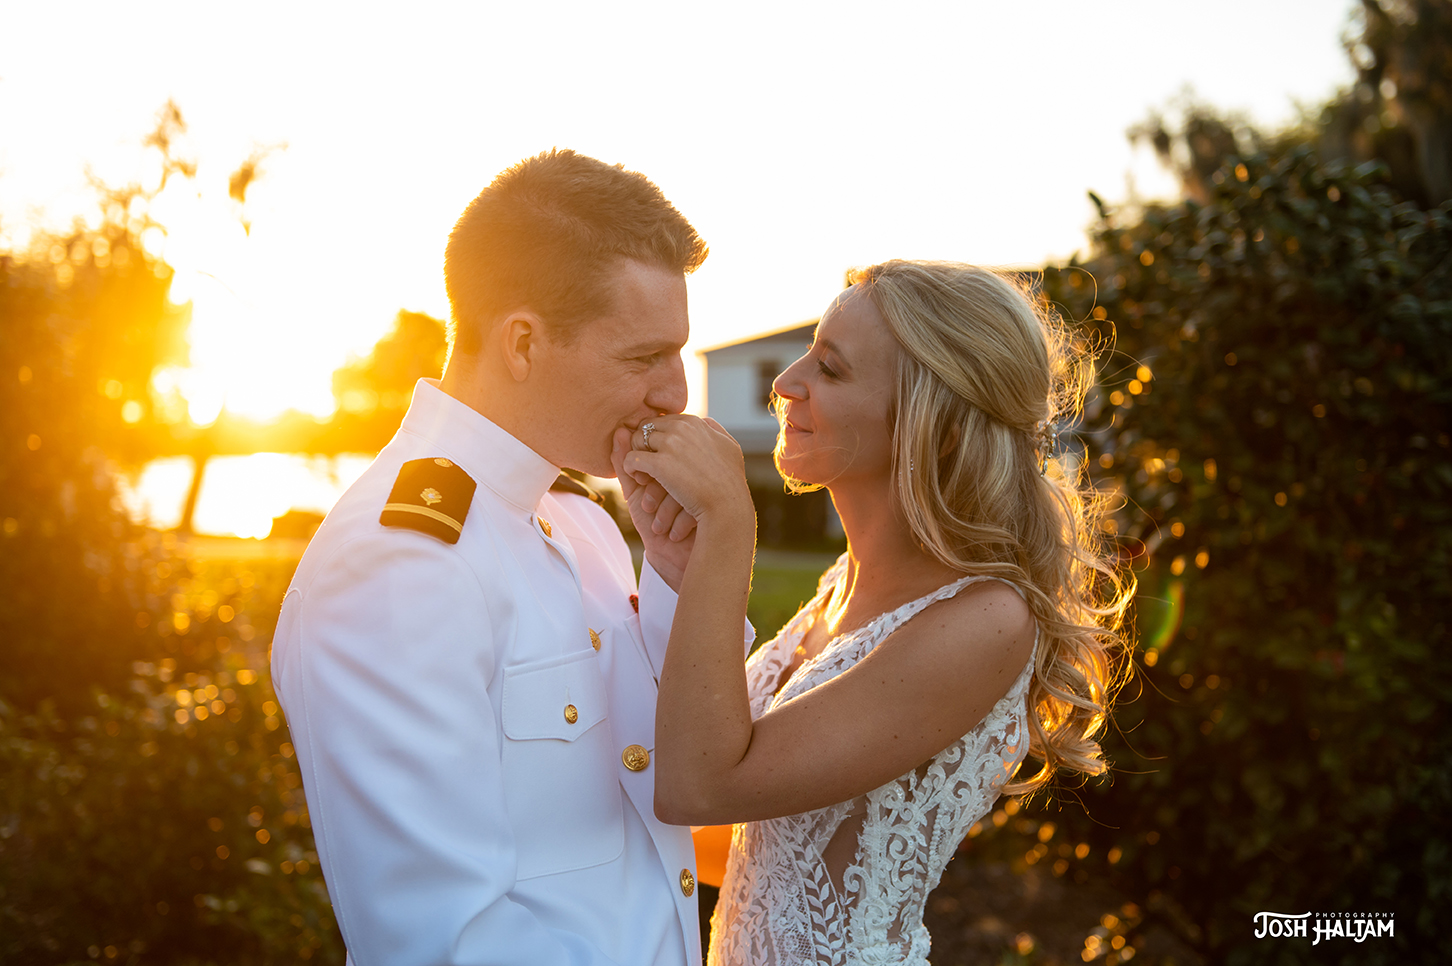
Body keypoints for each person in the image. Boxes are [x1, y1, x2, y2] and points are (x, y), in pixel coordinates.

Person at [271, 149, 739, 966]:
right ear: (522, 343)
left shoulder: (582, 522)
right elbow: (447, 941)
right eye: (642, 357)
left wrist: (681, 577)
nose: (675, 393)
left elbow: (671, 777)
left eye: (678, 355)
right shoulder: (400, 562)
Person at [616, 260, 1134, 966]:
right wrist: (683, 568)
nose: (784, 383)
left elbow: (698, 786)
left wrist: (729, 528)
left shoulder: (986, 620)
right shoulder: (840, 585)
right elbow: (731, 839)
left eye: (830, 369)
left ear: (936, 426)